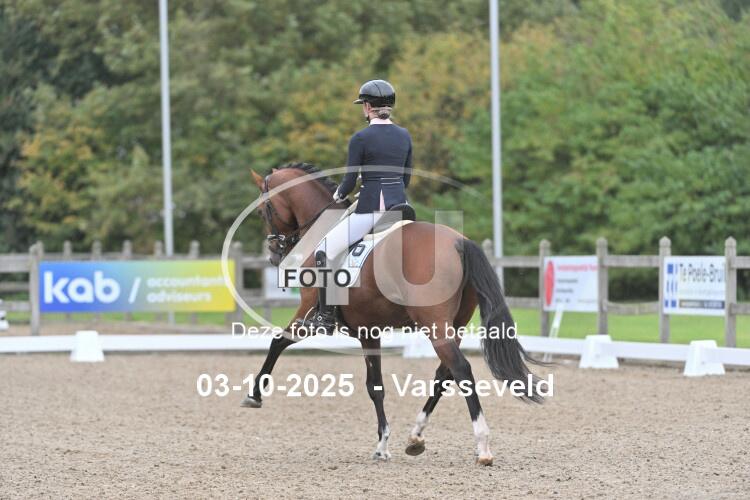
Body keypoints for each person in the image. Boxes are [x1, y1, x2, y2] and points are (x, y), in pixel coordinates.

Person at [297, 79, 413, 334]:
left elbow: (349, 181)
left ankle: (326, 316)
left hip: (373, 210)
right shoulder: (404, 135)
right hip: (402, 208)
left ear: (368, 107)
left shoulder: (360, 138)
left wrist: (339, 194)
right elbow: (406, 179)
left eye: (363, 105)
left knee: (324, 251)